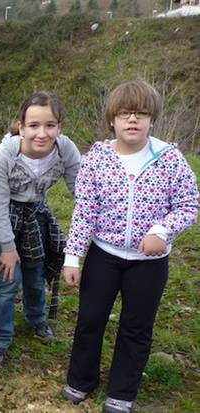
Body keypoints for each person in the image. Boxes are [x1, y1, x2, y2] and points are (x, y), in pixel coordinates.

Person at [60, 80, 198, 413]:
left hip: (148, 264)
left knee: (136, 326)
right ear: (112, 120)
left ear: (152, 119)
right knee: (90, 318)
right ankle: (81, 381)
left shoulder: (169, 159)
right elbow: (84, 211)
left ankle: (122, 391)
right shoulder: (96, 159)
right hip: (103, 256)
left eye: (141, 113)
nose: (132, 120)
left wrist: (162, 231)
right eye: (124, 114)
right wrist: (72, 257)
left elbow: (190, 204)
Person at [0, 91, 81, 368]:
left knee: (35, 271)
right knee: (9, 276)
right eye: (33, 126)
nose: (42, 133)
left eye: (50, 125)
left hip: (34, 214)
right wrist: (6, 247)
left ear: (59, 127)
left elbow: (82, 191)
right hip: (1, 213)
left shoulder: (65, 150)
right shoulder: (4, 155)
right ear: (21, 127)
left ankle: (37, 319)